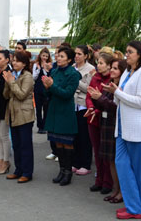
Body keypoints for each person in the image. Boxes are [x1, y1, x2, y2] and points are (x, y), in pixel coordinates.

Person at [105, 41, 141, 219]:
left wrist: (117, 92)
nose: (127, 54)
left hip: (136, 127)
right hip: (122, 126)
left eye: (131, 52)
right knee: (122, 164)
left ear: (139, 54)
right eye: (126, 51)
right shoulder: (127, 71)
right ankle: (132, 204)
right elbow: (120, 98)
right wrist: (114, 91)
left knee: (136, 168)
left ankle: (135, 208)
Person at [89, 59, 127, 204]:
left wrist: (100, 98)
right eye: (111, 68)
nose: (112, 70)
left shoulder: (122, 87)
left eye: (116, 68)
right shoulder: (109, 85)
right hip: (106, 125)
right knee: (110, 160)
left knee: (118, 161)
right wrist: (96, 103)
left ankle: (121, 191)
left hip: (116, 127)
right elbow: (105, 105)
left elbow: (117, 108)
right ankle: (115, 190)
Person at [43, 46, 80, 186]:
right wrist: (46, 87)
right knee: (57, 143)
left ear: (70, 60)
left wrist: (52, 86)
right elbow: (48, 94)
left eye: (62, 56)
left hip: (65, 111)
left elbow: (67, 94)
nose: (58, 58)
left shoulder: (73, 74)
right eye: (58, 56)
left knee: (67, 143)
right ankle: (61, 170)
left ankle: (68, 172)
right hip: (54, 110)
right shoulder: (55, 71)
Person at [3, 50, 36, 183]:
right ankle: (18, 170)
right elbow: (6, 95)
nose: (14, 63)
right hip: (12, 113)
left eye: (17, 61)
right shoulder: (13, 75)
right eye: (13, 60)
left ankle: (27, 172)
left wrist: (11, 82)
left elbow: (22, 95)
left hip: (24, 114)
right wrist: (7, 81)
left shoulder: (27, 76)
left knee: (25, 145)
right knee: (16, 144)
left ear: (24, 63)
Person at [85, 52, 114, 194]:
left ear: (109, 66)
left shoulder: (112, 80)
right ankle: (99, 180)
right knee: (96, 151)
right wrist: (90, 107)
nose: (98, 65)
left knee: (106, 154)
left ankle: (108, 182)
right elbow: (89, 95)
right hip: (93, 118)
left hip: (105, 119)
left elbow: (108, 101)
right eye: (98, 62)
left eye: (101, 63)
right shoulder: (95, 77)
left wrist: (96, 109)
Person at [72, 45, 95, 176]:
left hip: (83, 105)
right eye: (75, 53)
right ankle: (76, 162)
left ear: (86, 56)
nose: (77, 56)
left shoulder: (90, 69)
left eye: (80, 54)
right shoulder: (72, 68)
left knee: (84, 136)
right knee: (74, 135)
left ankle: (86, 164)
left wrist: (76, 81)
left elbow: (89, 88)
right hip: (72, 103)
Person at [32, 48, 53, 134]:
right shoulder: (36, 65)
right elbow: (34, 77)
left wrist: (45, 68)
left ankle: (45, 125)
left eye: (46, 56)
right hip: (37, 88)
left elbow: (48, 75)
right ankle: (40, 126)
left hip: (46, 88)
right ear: (40, 55)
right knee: (38, 108)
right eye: (43, 55)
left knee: (46, 108)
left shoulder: (49, 65)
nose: (44, 57)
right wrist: (38, 69)